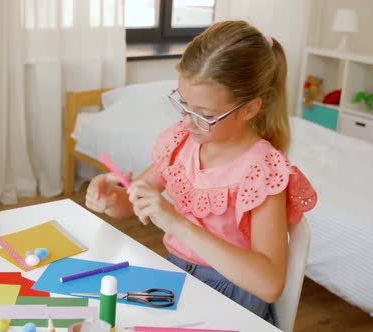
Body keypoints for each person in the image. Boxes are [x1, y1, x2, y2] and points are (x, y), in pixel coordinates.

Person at [85, 20, 317, 324]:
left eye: (204, 115)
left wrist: (178, 224)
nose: (189, 122)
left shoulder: (261, 173)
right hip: (175, 277)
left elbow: (269, 284)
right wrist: (111, 198)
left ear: (249, 109)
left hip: (232, 298)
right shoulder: (182, 141)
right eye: (183, 104)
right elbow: (132, 200)